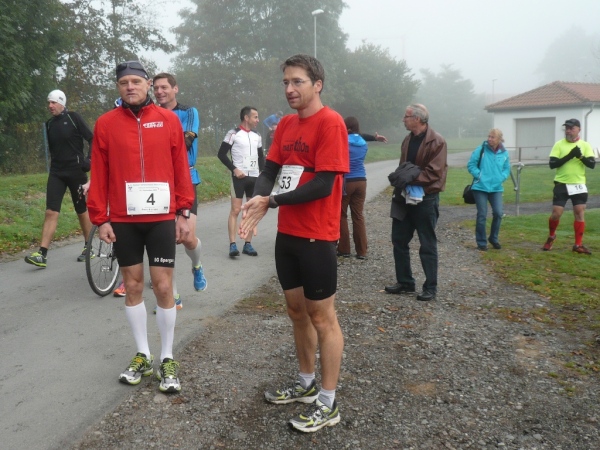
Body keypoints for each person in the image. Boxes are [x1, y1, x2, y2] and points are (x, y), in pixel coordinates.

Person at [239, 54, 348, 432]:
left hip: (318, 235)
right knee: (296, 311)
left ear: (317, 85)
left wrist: (271, 202)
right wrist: (258, 198)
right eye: (285, 81)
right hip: (288, 235)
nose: (289, 88)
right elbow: (270, 169)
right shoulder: (286, 124)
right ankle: (305, 384)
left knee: (323, 317)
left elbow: (324, 184)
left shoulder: (331, 123)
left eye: (297, 81)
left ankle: (328, 403)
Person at [87, 60, 195, 393]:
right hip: (123, 219)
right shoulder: (106, 124)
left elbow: (180, 166)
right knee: (133, 286)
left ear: (148, 84)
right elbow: (99, 171)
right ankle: (143, 354)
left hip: (161, 217)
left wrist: (184, 211)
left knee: (163, 286)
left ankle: (167, 356)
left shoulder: (168, 120)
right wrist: (100, 218)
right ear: (118, 88)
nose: (130, 87)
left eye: (136, 81)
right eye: (124, 83)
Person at [384, 104, 447, 301]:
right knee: (399, 240)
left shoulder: (437, 141)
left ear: (417, 119)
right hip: (404, 197)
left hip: (426, 199)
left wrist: (407, 177)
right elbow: (403, 166)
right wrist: (402, 178)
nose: (403, 119)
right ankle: (405, 282)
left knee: (427, 243)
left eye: (406, 116)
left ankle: (430, 287)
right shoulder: (407, 139)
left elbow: (434, 173)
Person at [24, 90, 94, 268]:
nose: (50, 106)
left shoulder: (73, 118)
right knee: (51, 211)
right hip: (56, 172)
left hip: (76, 171)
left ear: (62, 103)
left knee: (81, 209)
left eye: (53, 102)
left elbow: (92, 139)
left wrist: (89, 160)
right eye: (49, 102)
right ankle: (42, 254)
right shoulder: (49, 124)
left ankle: (89, 247)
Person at [542, 118, 595, 254]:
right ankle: (551, 236)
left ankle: (578, 245)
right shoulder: (559, 145)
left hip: (578, 184)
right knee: (556, 213)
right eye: (567, 128)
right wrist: (570, 155)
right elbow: (552, 164)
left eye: (571, 128)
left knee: (579, 212)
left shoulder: (585, 145)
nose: (568, 131)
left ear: (578, 130)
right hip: (561, 183)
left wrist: (580, 157)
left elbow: (592, 164)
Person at [218, 106, 264, 257]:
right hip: (239, 178)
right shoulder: (233, 133)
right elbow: (221, 154)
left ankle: (248, 244)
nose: (258, 120)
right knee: (236, 210)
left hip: (254, 178)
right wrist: (234, 169)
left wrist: (262, 174)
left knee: (251, 211)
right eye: (255, 117)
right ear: (246, 117)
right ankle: (232, 245)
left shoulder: (257, 135)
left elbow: (260, 157)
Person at [467, 129, 510, 251]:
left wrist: (502, 177)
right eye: (489, 136)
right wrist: (479, 176)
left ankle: (493, 238)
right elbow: (471, 165)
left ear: (499, 139)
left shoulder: (504, 153)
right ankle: (481, 242)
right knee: (482, 214)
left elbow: (507, 168)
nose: (489, 139)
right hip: (480, 187)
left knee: (498, 213)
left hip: (496, 188)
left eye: (492, 137)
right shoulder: (481, 149)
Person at [337, 116, 369, 259]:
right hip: (361, 180)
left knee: (341, 215)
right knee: (358, 215)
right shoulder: (363, 143)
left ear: (347, 127)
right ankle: (362, 251)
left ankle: (344, 249)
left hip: (347, 180)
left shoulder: (343, 141)